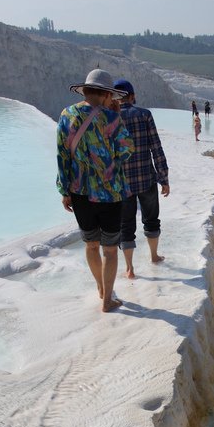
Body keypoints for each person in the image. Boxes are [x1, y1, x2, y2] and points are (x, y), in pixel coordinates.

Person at [57, 68, 134, 312]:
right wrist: (116, 118)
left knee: (91, 244)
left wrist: (64, 189)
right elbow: (126, 151)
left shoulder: (67, 114)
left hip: (79, 192)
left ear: (86, 90)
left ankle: (101, 288)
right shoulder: (111, 118)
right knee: (110, 249)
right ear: (105, 95)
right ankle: (107, 300)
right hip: (109, 193)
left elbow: (61, 154)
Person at [113, 79, 170, 271]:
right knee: (151, 218)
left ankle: (129, 268)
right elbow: (156, 147)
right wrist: (164, 178)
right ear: (132, 96)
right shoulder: (144, 115)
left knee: (125, 225)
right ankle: (153, 256)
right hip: (146, 179)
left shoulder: (110, 118)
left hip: (122, 183)